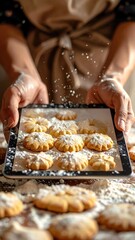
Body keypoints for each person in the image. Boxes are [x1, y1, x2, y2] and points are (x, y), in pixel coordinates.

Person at [0, 0, 135, 137]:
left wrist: (113, 77)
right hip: (29, 55)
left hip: (106, 56)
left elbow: (131, 13)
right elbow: (6, 14)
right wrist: (24, 72)